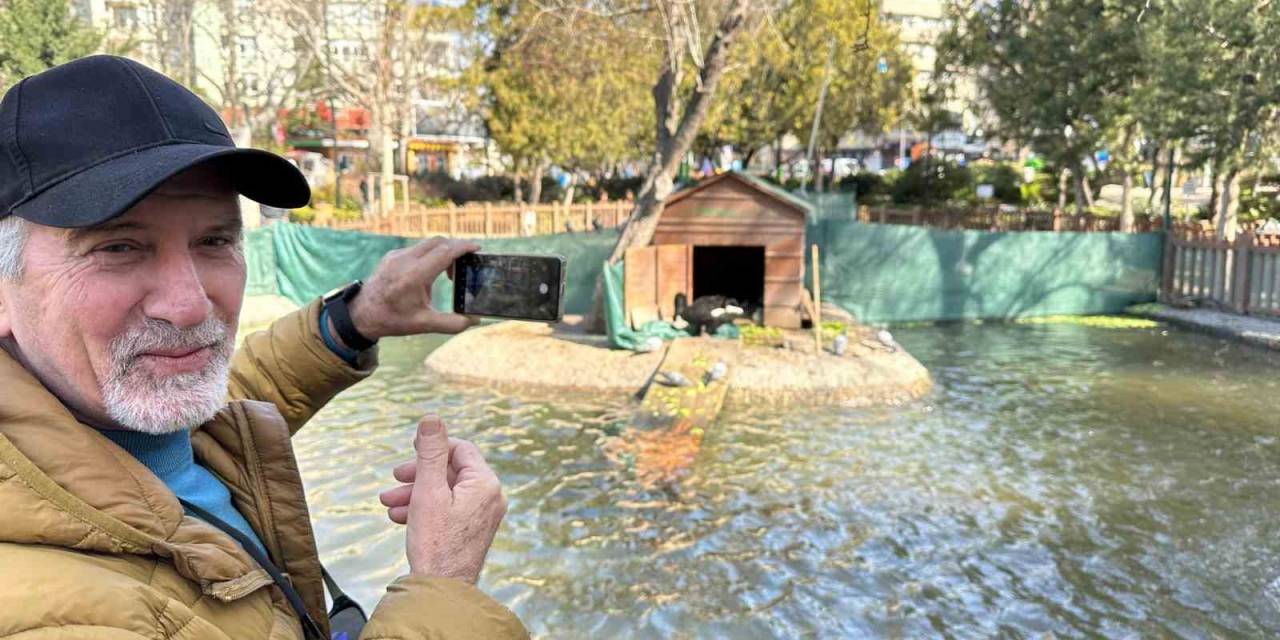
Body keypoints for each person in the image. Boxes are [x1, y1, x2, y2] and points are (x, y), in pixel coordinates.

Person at [0, 56, 526, 639]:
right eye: (118, 248)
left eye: (215, 239)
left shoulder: (105, 413)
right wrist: (445, 585)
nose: (190, 304)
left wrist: (356, 318)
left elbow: (227, 409)